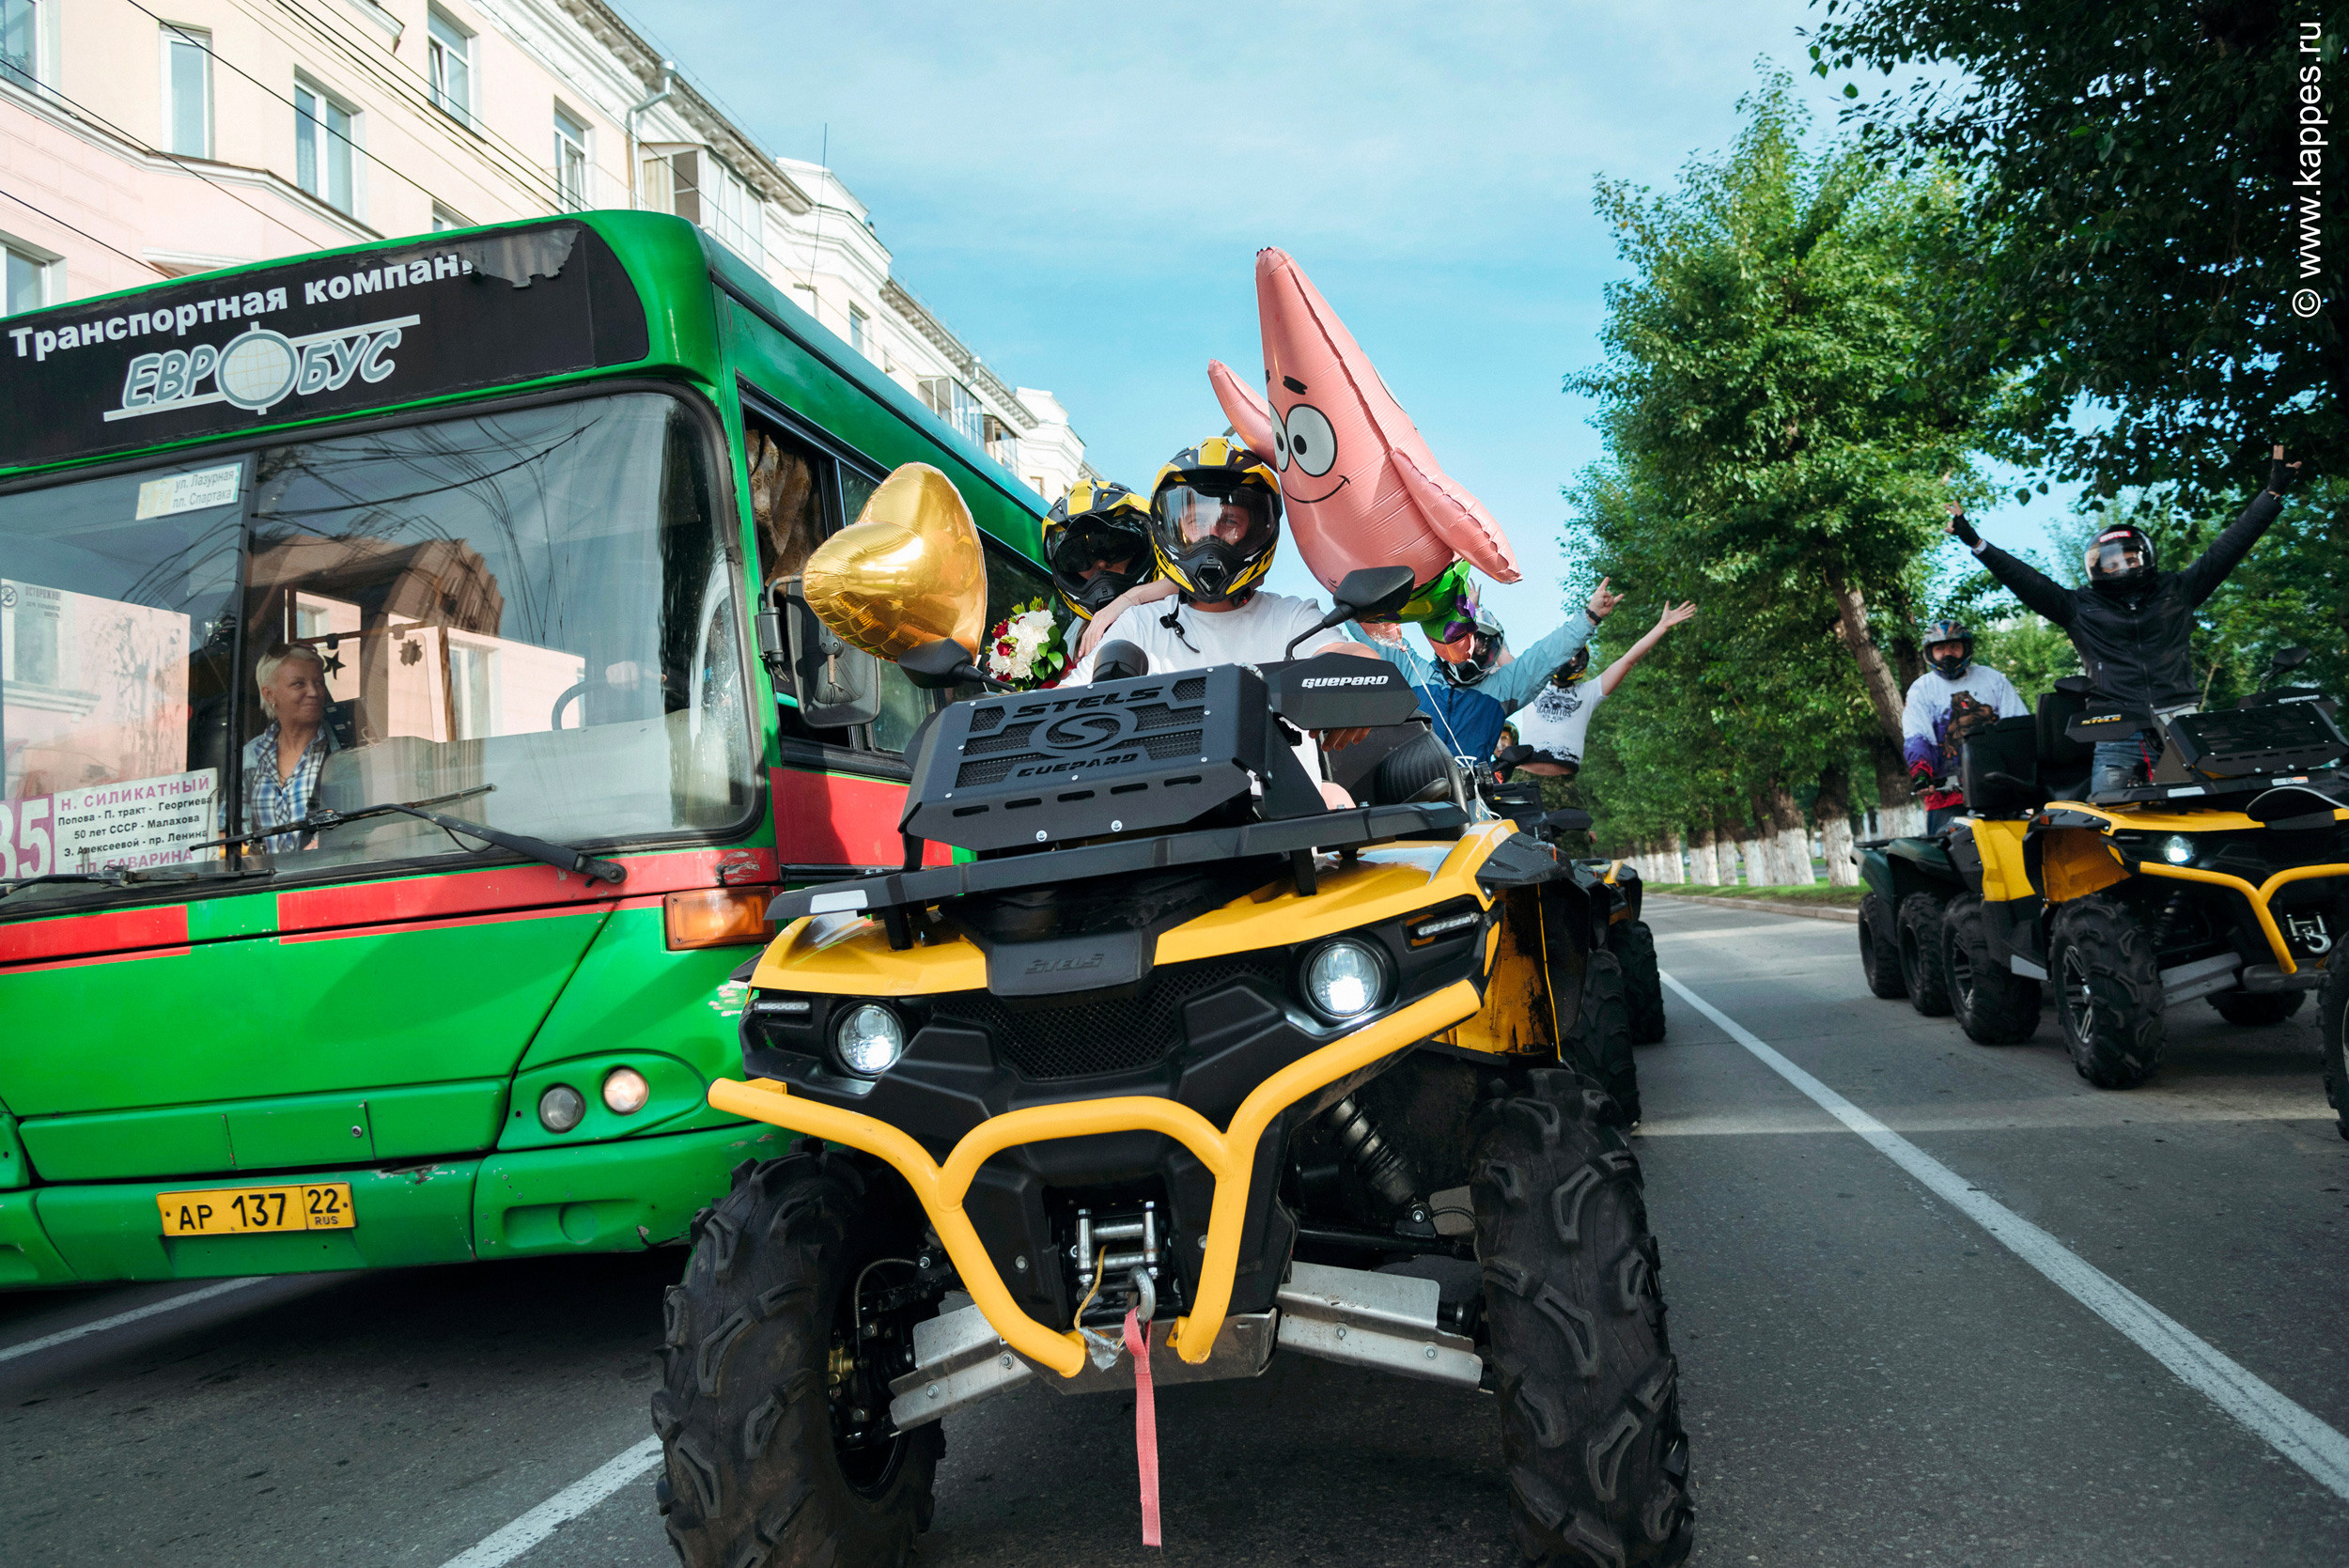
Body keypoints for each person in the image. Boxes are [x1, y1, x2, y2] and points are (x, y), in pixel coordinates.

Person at [1948, 444, 2302, 795]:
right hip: (2116, 727)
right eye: (2111, 562)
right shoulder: (2077, 606)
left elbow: (2228, 547)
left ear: (2146, 556)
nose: (2122, 567)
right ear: (2096, 567)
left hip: (2183, 721)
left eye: (2130, 559)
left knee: (2209, 807)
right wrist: (1976, 542)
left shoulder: (2177, 591)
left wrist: (2272, 494)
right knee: (2110, 813)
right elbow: (2026, 580)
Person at [1057, 438, 1380, 795]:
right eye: (1196, 521)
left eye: (1229, 521)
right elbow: (1065, 706)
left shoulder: (1290, 617)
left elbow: (1356, 658)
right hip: (1165, 825)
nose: (1211, 536)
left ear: (1260, 529)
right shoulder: (1139, 624)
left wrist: (1352, 682)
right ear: (1172, 528)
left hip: (1283, 829)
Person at [1340, 578, 1625, 768]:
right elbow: (1367, 628)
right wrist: (1345, 582)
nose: (1472, 657)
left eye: (1483, 650)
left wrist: (1589, 617)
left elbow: (1544, 657)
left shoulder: (1500, 689)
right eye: (1465, 644)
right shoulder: (1412, 670)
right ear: (1446, 641)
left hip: (1470, 812)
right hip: (1405, 800)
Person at [1507, 600, 1698, 777]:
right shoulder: (1532, 684)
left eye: (1574, 656)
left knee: (1578, 816)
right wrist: (1475, 609)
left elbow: (1628, 660)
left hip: (1564, 782)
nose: (1568, 660)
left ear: (1581, 662)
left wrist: (1661, 627)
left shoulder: (1589, 692)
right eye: (1565, 653)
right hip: (1525, 777)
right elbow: (1497, 649)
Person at [1901, 619, 2028, 832]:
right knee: (1947, 860)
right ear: (1930, 653)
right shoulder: (1921, 689)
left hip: (2000, 790)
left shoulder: (1993, 679)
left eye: (1954, 647)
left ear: (1965, 648)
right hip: (1946, 796)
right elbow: (1917, 735)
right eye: (1940, 648)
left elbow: (2018, 727)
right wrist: (1921, 774)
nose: (1947, 654)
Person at [237, 642, 338, 851]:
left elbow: (365, 827)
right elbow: (227, 830)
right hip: (262, 882)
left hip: (326, 879)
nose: (313, 692)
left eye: (319, 683)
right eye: (298, 684)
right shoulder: (250, 756)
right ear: (269, 695)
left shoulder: (343, 749)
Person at [1040, 479, 1157, 623]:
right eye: (1080, 557)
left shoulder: (1179, 605)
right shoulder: (1077, 637)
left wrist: (1139, 595)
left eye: (1115, 547)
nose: (1101, 563)